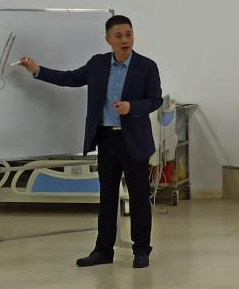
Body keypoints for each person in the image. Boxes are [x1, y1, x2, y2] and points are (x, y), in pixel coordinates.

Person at [19, 15, 162, 269]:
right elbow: (70, 79)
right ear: (108, 40)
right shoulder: (98, 64)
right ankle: (103, 251)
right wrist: (37, 70)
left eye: (128, 34)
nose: (125, 40)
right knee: (107, 197)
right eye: (119, 36)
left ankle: (141, 250)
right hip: (106, 139)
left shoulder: (146, 66)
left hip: (134, 141)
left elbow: (155, 100)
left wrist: (132, 107)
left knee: (139, 198)